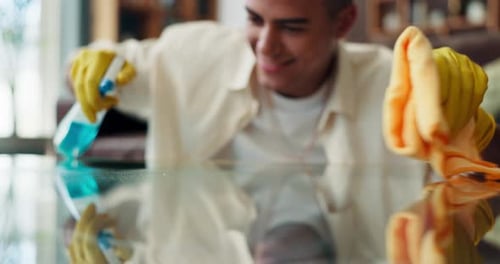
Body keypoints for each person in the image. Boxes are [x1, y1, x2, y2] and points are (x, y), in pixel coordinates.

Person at [66, 0, 499, 262]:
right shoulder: (191, 55)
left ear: (343, 23)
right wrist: (92, 63)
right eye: (255, 19)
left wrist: (459, 112)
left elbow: (464, 167)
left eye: (292, 27)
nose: (265, 45)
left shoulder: (394, 84)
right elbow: (109, 62)